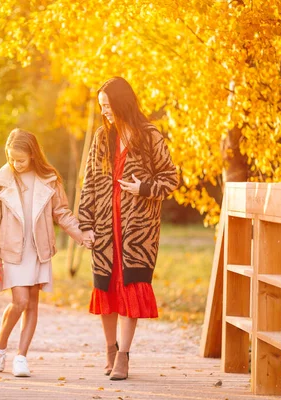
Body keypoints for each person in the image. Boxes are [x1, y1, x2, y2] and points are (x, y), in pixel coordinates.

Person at [78, 77, 179, 381]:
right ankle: (110, 350)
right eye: (101, 106)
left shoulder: (150, 137)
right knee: (106, 289)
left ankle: (124, 356)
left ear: (122, 102)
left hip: (138, 232)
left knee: (131, 289)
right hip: (104, 230)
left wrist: (143, 187)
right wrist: (85, 225)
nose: (104, 111)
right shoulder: (101, 137)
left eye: (107, 105)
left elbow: (171, 179)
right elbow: (90, 182)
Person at [0, 128, 90, 377]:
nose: (15, 164)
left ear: (32, 154)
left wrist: (80, 235)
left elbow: (61, 212)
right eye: (11, 159)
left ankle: (21, 357)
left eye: (20, 159)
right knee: (19, 302)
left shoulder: (49, 178)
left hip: (38, 250)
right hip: (12, 251)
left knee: (32, 305)